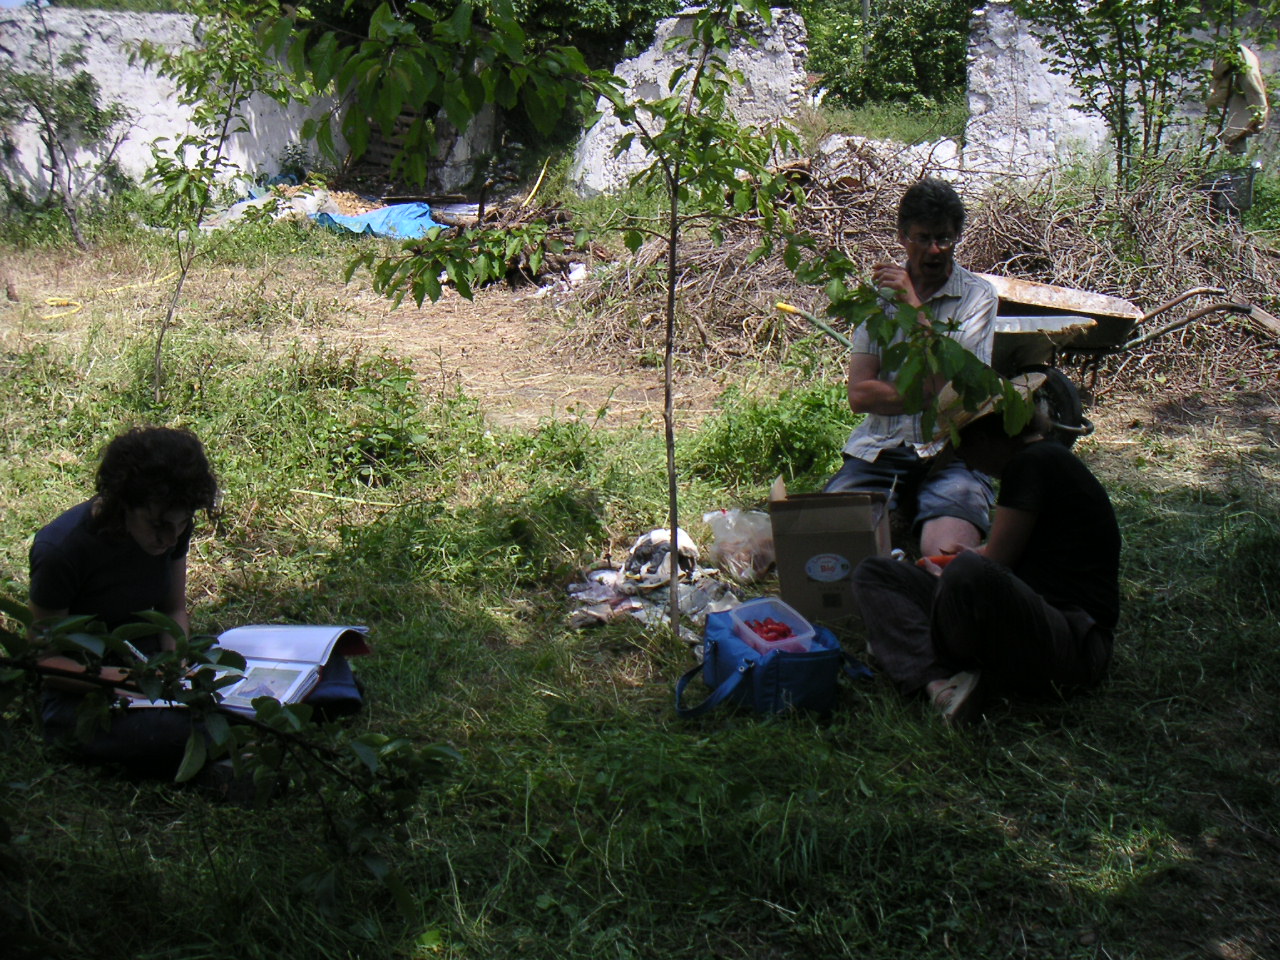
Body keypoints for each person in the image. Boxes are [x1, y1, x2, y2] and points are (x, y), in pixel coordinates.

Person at [851, 375, 1121, 724]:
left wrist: (955, 566)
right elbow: (1007, 553)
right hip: (1033, 620)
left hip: (1075, 644)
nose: (967, 462)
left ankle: (904, 645)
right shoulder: (1037, 460)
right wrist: (964, 558)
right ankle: (939, 686)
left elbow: (994, 563)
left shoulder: (1033, 464)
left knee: (967, 573)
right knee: (875, 572)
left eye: (961, 449)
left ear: (981, 439)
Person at [29, 426, 219, 775]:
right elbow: (46, 661)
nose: (170, 538)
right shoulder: (60, 550)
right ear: (123, 503)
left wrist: (176, 663)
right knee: (172, 732)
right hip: (84, 687)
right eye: (158, 524)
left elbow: (172, 609)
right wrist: (130, 680)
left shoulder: (172, 527)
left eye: (182, 524)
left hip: (146, 659)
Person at [825, 177, 999, 557]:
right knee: (837, 541)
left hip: (953, 452)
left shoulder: (977, 296)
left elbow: (960, 396)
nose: (934, 250)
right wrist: (932, 389)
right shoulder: (879, 298)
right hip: (882, 448)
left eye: (944, 238)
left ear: (957, 237)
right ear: (903, 237)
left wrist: (915, 309)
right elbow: (860, 395)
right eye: (923, 238)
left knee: (946, 556)